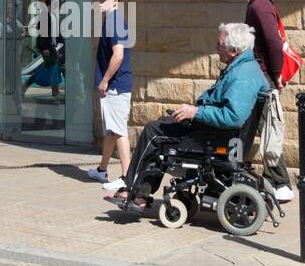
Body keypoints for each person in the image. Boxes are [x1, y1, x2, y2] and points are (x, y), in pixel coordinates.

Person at [107, 22, 269, 215]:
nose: (216, 48)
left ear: (233, 50)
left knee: (153, 132)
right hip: (215, 131)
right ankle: (140, 193)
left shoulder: (242, 76)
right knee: (164, 124)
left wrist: (195, 112)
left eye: (219, 44)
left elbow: (233, 117)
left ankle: (131, 191)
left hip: (217, 138)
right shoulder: (243, 67)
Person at [236, 0, 296, 202]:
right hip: (258, 75)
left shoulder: (259, 5)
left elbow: (272, 40)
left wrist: (278, 73)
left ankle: (280, 183)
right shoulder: (259, 3)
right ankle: (236, 167)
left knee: (265, 126)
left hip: (263, 77)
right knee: (247, 124)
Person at [87, 0, 133, 190]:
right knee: (111, 130)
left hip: (115, 85)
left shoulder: (115, 21)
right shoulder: (112, 20)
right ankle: (102, 170)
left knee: (119, 131)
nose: (100, 2)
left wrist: (105, 80)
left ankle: (127, 178)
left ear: (115, 1)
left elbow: (119, 54)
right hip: (116, 85)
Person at [23, 0, 64, 102]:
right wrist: (45, 48)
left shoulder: (51, 16)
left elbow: (55, 33)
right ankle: (55, 92)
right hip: (47, 46)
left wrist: (62, 40)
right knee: (54, 67)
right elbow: (43, 33)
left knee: (48, 68)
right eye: (55, 3)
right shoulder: (46, 15)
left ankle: (25, 86)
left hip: (50, 45)